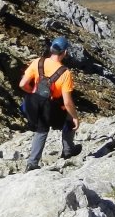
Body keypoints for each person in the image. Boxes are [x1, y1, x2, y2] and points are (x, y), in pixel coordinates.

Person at [20, 35, 82, 170]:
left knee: (41, 129)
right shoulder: (65, 73)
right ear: (65, 52)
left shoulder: (37, 62)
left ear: (51, 49)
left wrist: (32, 92)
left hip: (32, 104)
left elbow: (22, 84)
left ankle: (33, 162)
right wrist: (75, 117)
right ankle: (67, 150)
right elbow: (67, 102)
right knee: (68, 118)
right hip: (50, 107)